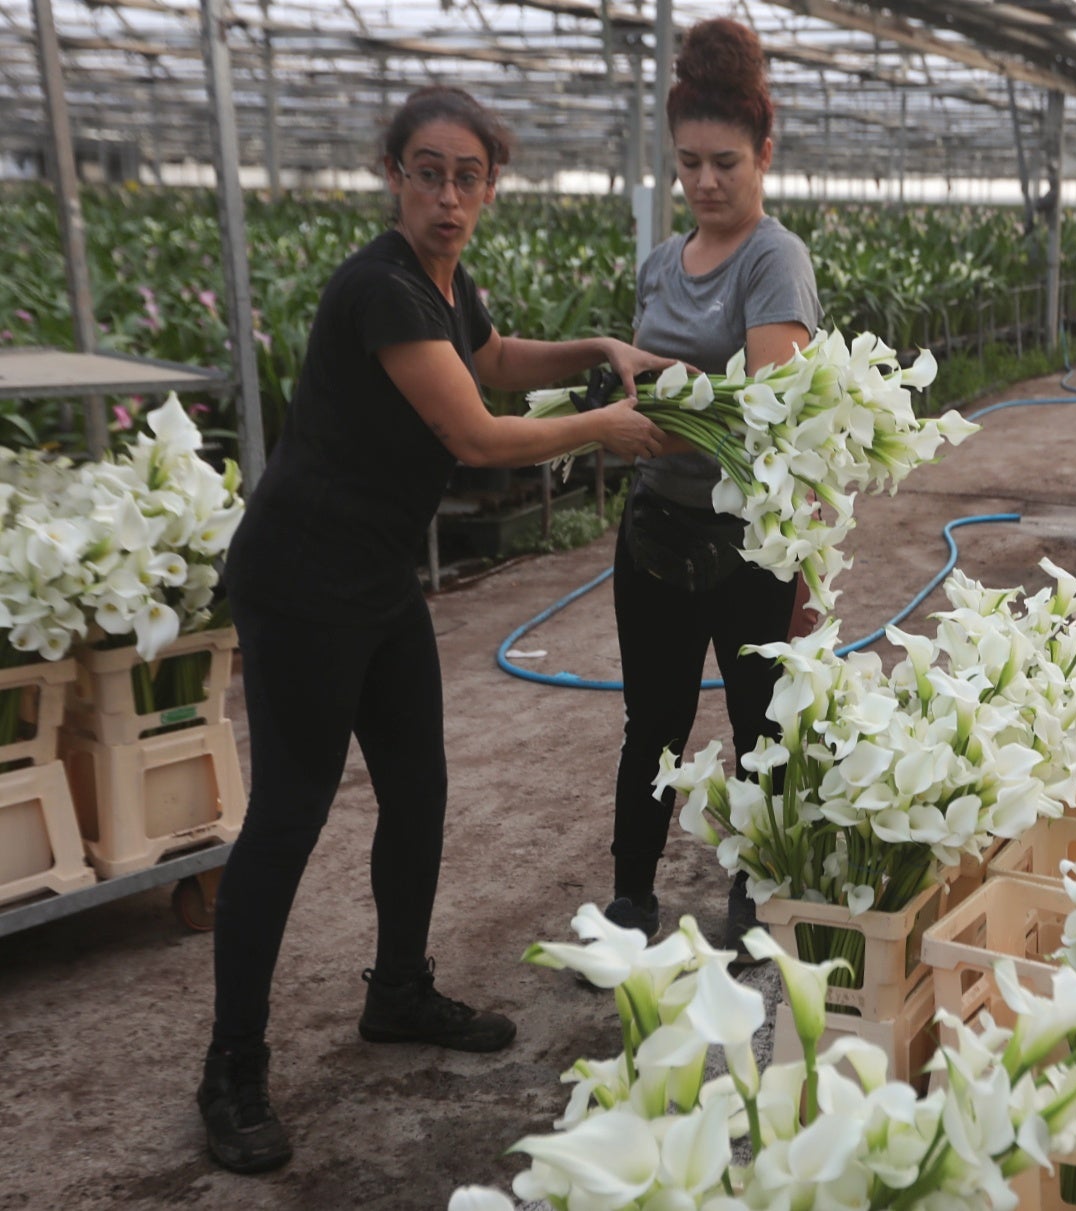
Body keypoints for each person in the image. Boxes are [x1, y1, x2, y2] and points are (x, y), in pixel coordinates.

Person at [199, 85, 674, 1175]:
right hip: (303, 579)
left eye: (468, 176)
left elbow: (494, 358)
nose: (448, 196)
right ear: (393, 176)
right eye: (428, 171)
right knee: (287, 815)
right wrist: (606, 423)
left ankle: (399, 990)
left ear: (490, 185)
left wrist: (598, 345)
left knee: (417, 788)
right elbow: (471, 432)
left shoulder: (444, 288)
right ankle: (230, 1068)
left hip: (375, 582)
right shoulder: (379, 287)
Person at [603, 18, 821, 953]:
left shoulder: (775, 260)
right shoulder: (661, 262)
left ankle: (755, 883)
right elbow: (646, 385)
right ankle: (628, 900)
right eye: (687, 162)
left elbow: (773, 411)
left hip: (747, 539)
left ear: (764, 155)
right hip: (656, 526)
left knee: (755, 720)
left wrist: (667, 397)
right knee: (649, 718)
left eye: (724, 162)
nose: (703, 182)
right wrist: (620, 422)